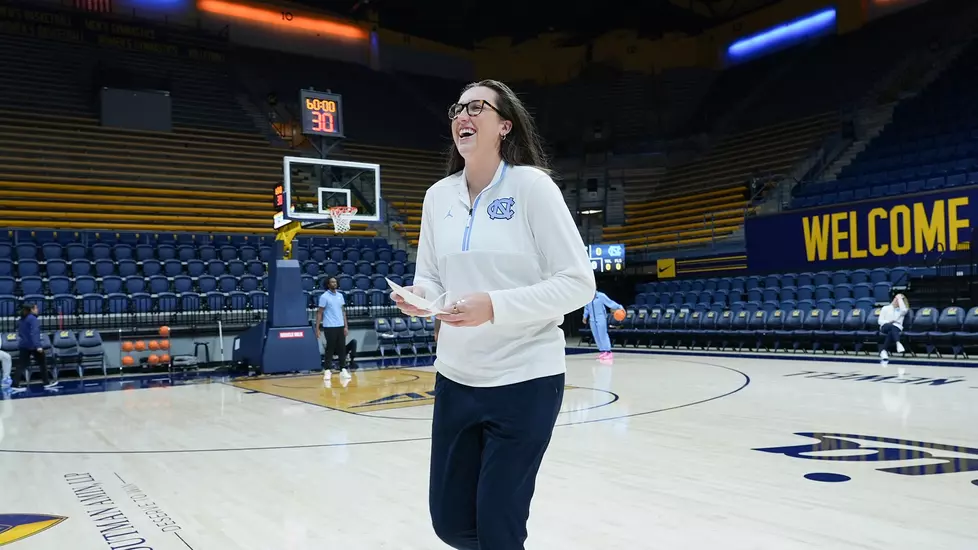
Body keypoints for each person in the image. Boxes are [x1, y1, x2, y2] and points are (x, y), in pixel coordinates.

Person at [392, 79, 596, 550]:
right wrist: (421, 298)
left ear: (504, 125)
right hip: (457, 378)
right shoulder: (437, 196)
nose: (463, 114)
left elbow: (578, 283)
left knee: (499, 525)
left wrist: (496, 306)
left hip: (526, 379)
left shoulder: (532, 187)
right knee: (450, 523)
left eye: (476, 107)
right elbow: (432, 278)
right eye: (458, 108)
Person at [12, 304, 55, 392]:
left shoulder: (21, 319)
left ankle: (15, 384)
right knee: (42, 363)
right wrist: (38, 346)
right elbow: (35, 333)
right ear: (32, 309)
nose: (38, 309)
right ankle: (46, 382)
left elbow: (20, 333)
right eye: (36, 308)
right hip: (33, 345)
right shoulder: (33, 319)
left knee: (21, 365)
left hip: (23, 344)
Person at [316, 277, 351, 380]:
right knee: (330, 348)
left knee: (342, 348)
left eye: (335, 282)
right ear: (328, 284)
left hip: (340, 326)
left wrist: (346, 326)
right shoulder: (324, 297)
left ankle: (343, 369)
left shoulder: (340, 296)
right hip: (329, 326)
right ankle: (327, 370)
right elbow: (320, 313)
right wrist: (317, 328)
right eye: (332, 282)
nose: (334, 283)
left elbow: (343, 312)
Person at [583, 291, 624, 361]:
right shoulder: (588, 297)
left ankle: (608, 352)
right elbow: (586, 307)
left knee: (602, 334)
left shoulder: (601, 296)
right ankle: (602, 351)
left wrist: (619, 307)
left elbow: (610, 302)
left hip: (601, 318)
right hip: (592, 319)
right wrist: (585, 316)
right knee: (596, 335)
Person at [878, 293, 909, 366]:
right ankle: (898, 343)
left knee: (892, 330)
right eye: (895, 298)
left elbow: (904, 310)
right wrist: (889, 321)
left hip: (897, 328)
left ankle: (884, 351)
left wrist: (900, 299)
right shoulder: (885, 308)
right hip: (885, 326)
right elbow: (880, 321)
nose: (896, 300)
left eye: (898, 300)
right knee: (892, 327)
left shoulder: (903, 310)